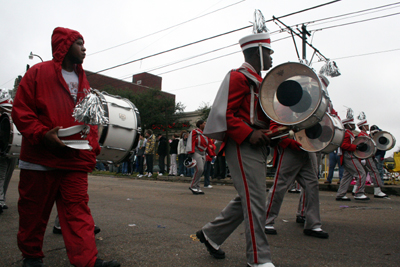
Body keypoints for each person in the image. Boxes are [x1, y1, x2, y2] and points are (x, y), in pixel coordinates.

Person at [11, 27, 120, 267]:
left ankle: (87, 261)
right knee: (34, 213)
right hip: (40, 157)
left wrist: (92, 147)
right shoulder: (38, 72)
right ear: (64, 45)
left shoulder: (84, 81)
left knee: (77, 213)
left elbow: (89, 120)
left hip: (74, 160)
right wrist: (42, 135)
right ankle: (31, 257)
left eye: (83, 43)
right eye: (79, 43)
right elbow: (21, 111)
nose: (84, 48)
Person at [197, 31, 275, 266]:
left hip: (257, 145)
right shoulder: (238, 77)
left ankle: (211, 234)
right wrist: (249, 133)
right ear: (256, 51)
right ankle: (258, 259)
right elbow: (224, 115)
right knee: (256, 201)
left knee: (251, 198)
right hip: (242, 144)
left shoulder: (262, 82)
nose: (271, 57)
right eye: (268, 52)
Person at [335, 109, 370, 201]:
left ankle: (341, 194)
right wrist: (356, 147)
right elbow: (343, 145)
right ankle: (359, 193)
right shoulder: (346, 133)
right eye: (352, 124)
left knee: (347, 176)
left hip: (349, 155)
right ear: (348, 125)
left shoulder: (348, 133)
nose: (354, 125)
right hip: (349, 156)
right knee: (361, 173)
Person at [356, 115, 388, 198]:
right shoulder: (362, 135)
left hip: (367, 156)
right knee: (374, 172)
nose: (368, 126)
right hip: (367, 156)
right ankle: (377, 191)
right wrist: (363, 158)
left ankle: (356, 189)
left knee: (364, 173)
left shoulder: (364, 135)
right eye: (366, 125)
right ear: (362, 126)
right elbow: (363, 148)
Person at [0, 91, 18, 213]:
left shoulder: (13, 116)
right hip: (2, 148)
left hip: (12, 148)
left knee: (7, 175)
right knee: (1, 175)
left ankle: (2, 199)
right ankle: (0, 200)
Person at [187, 120, 215, 195]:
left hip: (203, 152)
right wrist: (190, 152)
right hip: (196, 152)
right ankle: (193, 185)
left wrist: (211, 154)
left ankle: (197, 187)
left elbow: (208, 145)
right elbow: (191, 141)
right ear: (200, 125)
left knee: (201, 170)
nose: (205, 124)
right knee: (199, 169)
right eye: (204, 123)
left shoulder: (205, 134)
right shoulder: (195, 132)